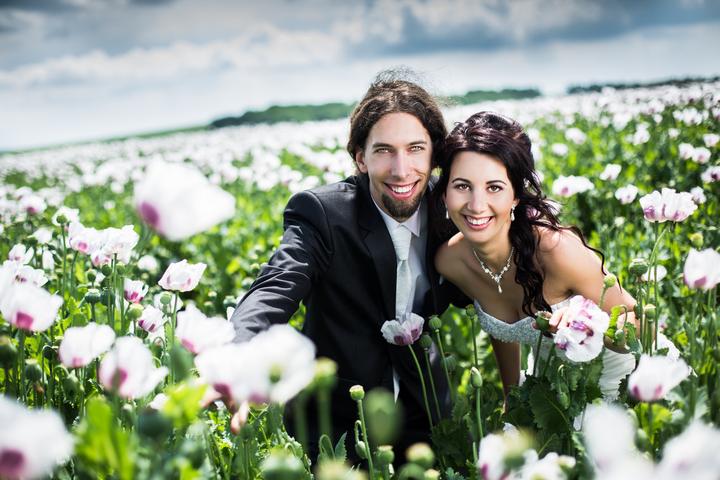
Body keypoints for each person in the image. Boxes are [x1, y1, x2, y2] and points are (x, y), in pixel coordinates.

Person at [230, 71, 468, 460]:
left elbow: (496, 278)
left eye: (415, 149)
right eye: (383, 150)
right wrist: (235, 362)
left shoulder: (452, 210)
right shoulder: (324, 214)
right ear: (360, 158)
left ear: (434, 153)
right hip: (335, 425)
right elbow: (275, 287)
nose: (402, 169)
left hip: (426, 413)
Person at [434, 111, 636, 401]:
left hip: (622, 381)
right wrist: (511, 399)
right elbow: (501, 330)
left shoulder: (556, 251)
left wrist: (593, 325)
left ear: (516, 196)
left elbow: (640, 323)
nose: (477, 205)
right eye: (462, 186)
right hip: (549, 395)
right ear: (445, 194)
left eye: (494, 187)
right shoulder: (451, 261)